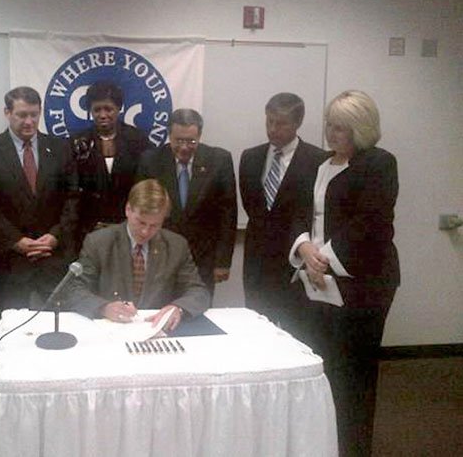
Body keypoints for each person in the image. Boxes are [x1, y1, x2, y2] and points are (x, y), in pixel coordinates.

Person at [289, 90, 400, 456]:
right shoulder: (320, 164)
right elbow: (299, 214)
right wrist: (306, 249)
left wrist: (323, 260)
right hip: (317, 279)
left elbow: (370, 222)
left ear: (360, 129)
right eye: (329, 126)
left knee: (353, 373)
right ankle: (323, 443)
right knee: (322, 366)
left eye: (340, 128)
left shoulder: (379, 164)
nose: (331, 133)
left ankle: (353, 447)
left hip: (362, 285)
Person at [0, 86, 79, 313]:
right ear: (7, 113)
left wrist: (55, 236)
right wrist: (16, 241)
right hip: (9, 262)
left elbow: (73, 199)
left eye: (34, 114)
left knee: (61, 329)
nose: (29, 121)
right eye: (22, 115)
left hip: (54, 258)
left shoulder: (61, 148)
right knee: (13, 331)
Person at [66, 179, 210, 331]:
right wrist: (104, 307)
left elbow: (198, 291)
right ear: (128, 210)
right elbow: (74, 289)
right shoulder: (99, 242)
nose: (145, 232)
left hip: (156, 330)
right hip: (111, 330)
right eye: (141, 222)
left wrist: (178, 308)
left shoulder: (176, 245)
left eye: (154, 225)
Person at [238, 93, 326, 339]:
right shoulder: (250, 158)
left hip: (294, 263)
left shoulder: (318, 160)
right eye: (269, 122)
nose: (272, 129)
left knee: (296, 332)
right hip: (256, 261)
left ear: (297, 123)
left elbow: (312, 213)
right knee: (255, 332)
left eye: (281, 123)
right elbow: (252, 208)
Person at [138, 108, 237, 292]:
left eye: (191, 141)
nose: (184, 147)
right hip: (160, 255)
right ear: (169, 136)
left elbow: (228, 215)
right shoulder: (150, 161)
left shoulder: (220, 160)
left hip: (203, 259)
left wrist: (222, 262)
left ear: (200, 136)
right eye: (178, 140)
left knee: (197, 312)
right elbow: (141, 209)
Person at [71, 80, 151, 248]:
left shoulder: (138, 140)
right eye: (97, 109)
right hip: (88, 230)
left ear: (119, 109)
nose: (102, 115)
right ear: (89, 111)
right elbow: (72, 190)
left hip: (130, 228)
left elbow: (145, 186)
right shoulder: (77, 141)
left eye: (108, 109)